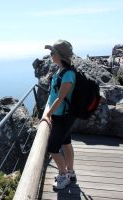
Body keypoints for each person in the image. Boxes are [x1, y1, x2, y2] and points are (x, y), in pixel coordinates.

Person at [42, 39, 77, 190]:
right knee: (66, 143)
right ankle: (70, 172)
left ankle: (63, 175)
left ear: (60, 55)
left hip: (63, 116)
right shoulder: (61, 70)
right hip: (63, 115)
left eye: (52, 53)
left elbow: (60, 98)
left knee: (53, 148)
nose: (50, 55)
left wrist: (47, 115)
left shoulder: (68, 74)